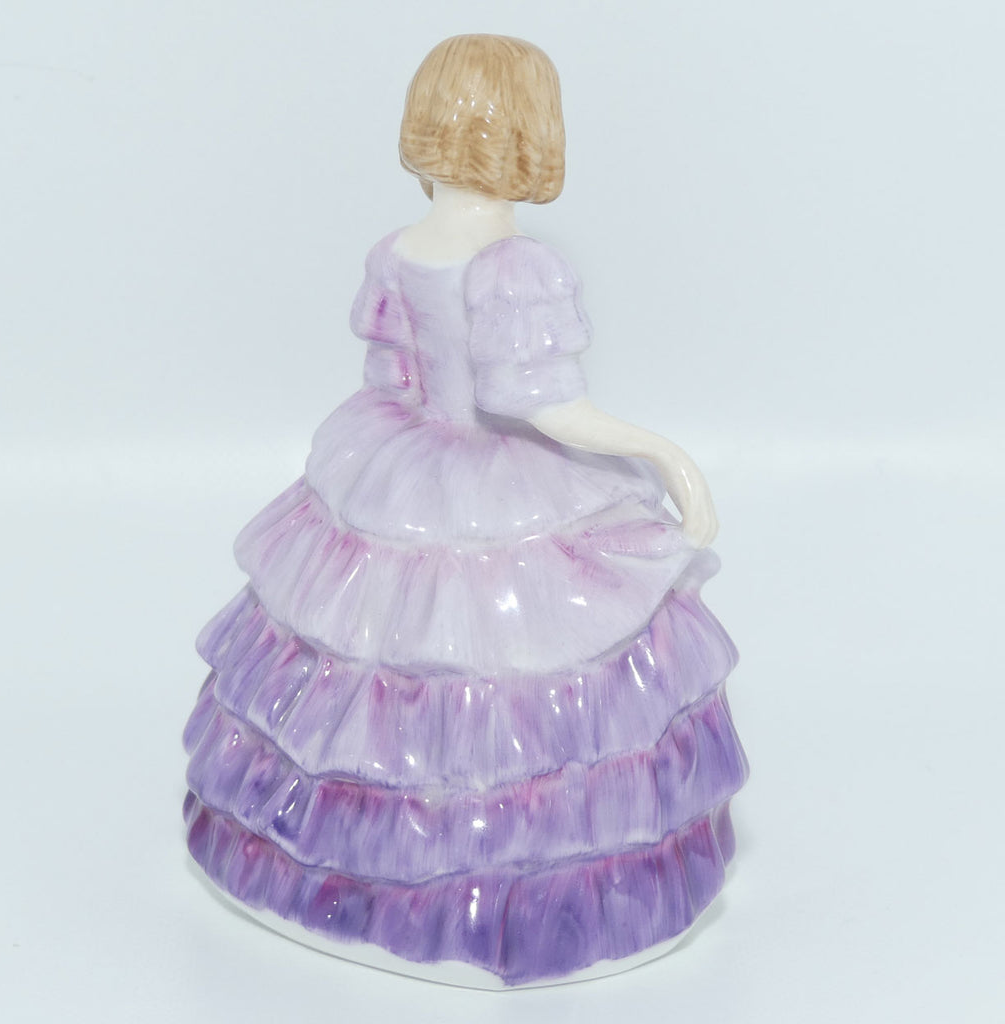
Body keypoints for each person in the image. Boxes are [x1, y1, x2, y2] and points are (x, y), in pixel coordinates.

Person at [183, 34, 747, 988]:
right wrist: (664, 454)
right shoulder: (514, 266)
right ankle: (507, 896)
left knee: (378, 654)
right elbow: (539, 404)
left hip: (403, 462)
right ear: (534, 129)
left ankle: (349, 879)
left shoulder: (398, 253)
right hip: (490, 473)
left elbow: (393, 381)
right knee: (530, 654)